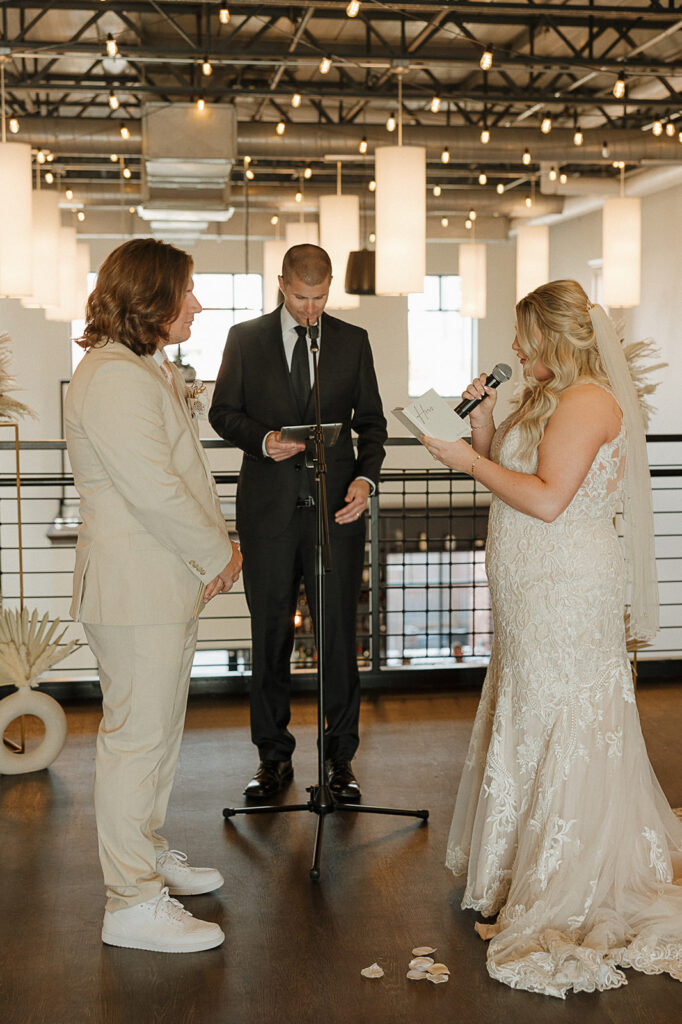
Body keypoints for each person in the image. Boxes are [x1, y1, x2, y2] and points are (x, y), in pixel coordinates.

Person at [422, 280, 682, 997]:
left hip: (568, 585)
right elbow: (514, 474)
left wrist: (465, 460)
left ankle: (566, 876)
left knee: (563, 714)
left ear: (555, 340)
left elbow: (545, 498)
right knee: (529, 707)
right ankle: (519, 865)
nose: (513, 349)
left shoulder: (590, 401)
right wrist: (485, 424)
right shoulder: (546, 398)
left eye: (524, 340)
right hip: (529, 584)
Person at [65, 238, 242, 954]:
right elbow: (156, 491)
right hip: (137, 584)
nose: (197, 303)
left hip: (159, 581)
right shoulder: (113, 377)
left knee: (159, 732)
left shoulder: (144, 365)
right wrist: (219, 552)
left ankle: (145, 851)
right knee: (135, 741)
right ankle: (130, 901)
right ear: (150, 299)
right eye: (187, 292)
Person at [209, 244, 386, 801]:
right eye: (300, 297)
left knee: (337, 640)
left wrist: (365, 480)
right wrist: (263, 441)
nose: (311, 309)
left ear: (330, 286)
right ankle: (272, 760)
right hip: (266, 514)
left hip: (337, 513)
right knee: (269, 639)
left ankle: (340, 763)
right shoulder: (245, 339)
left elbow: (373, 426)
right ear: (281, 284)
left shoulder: (352, 342)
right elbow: (221, 412)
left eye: (320, 297)